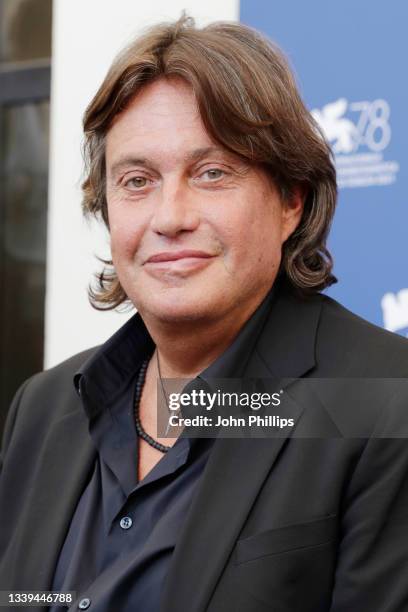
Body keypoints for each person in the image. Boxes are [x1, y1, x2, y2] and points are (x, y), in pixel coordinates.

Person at [1, 14, 408, 612]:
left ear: (291, 199)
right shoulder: (43, 407)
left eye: (211, 173)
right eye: (137, 180)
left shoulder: (386, 403)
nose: (170, 216)